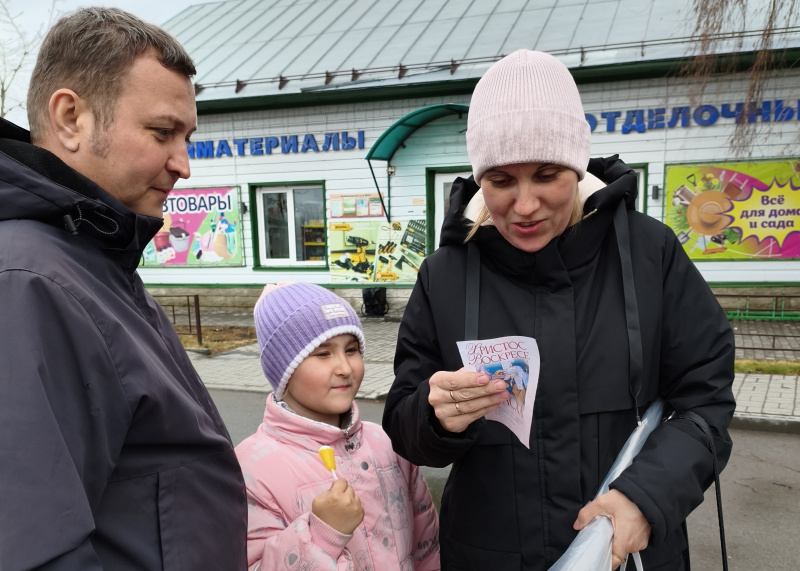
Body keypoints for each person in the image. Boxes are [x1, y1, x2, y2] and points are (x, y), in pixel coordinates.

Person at [382, 50, 735, 571]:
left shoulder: (649, 254)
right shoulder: (445, 275)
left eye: (546, 174)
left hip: (627, 553)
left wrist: (644, 497)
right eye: (501, 180)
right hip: (487, 557)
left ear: (576, 163)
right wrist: (434, 418)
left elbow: (704, 404)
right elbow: (404, 423)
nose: (525, 205)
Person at [0, 8, 246, 569]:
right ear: (70, 118)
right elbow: (33, 551)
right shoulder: (28, 283)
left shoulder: (91, 258)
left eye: (187, 136)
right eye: (162, 132)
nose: (184, 164)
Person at [236, 283, 440, 571]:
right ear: (284, 368)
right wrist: (322, 536)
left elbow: (427, 544)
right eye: (323, 353)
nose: (345, 367)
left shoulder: (388, 442)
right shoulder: (251, 470)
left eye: (352, 349)